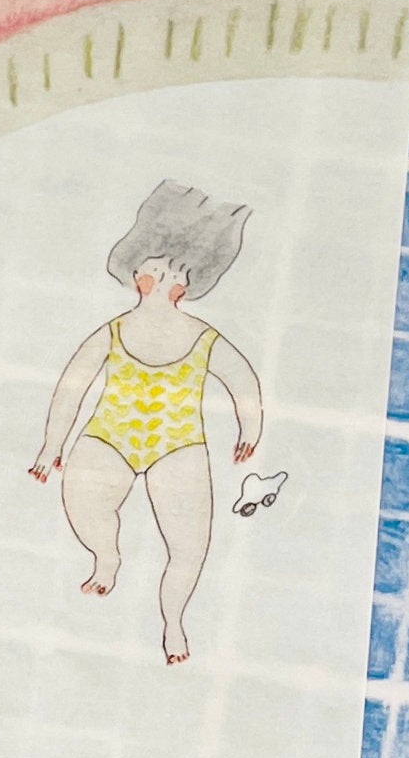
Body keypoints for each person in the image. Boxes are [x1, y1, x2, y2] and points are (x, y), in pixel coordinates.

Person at [30, 184, 265, 664]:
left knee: (189, 546)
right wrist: (52, 444)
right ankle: (106, 555)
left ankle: (173, 622)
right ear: (136, 273)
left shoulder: (203, 337)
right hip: (109, 435)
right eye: (154, 268)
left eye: (175, 273)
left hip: (178, 444)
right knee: (80, 498)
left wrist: (250, 427)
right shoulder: (113, 330)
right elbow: (73, 384)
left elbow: (242, 379)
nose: (162, 279)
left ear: (188, 286)